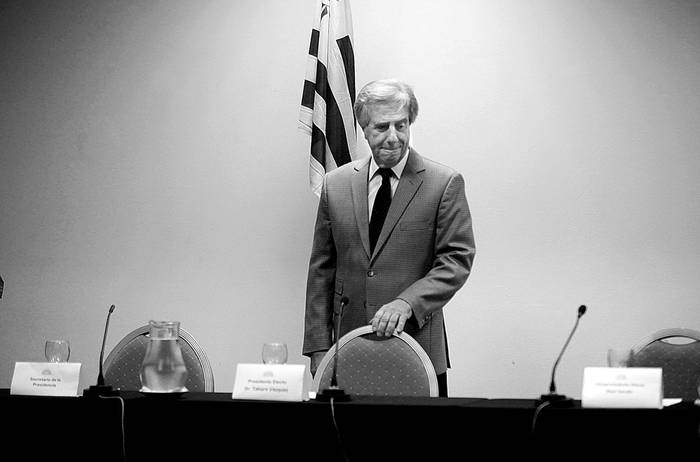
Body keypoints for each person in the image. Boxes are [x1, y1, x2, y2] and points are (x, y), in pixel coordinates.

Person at [303, 79, 475, 397]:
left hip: (417, 348)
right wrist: (317, 346)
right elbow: (321, 270)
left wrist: (406, 303)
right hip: (347, 349)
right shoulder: (335, 185)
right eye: (382, 127)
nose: (394, 137)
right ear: (364, 129)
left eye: (402, 125)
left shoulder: (443, 184)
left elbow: (456, 261)